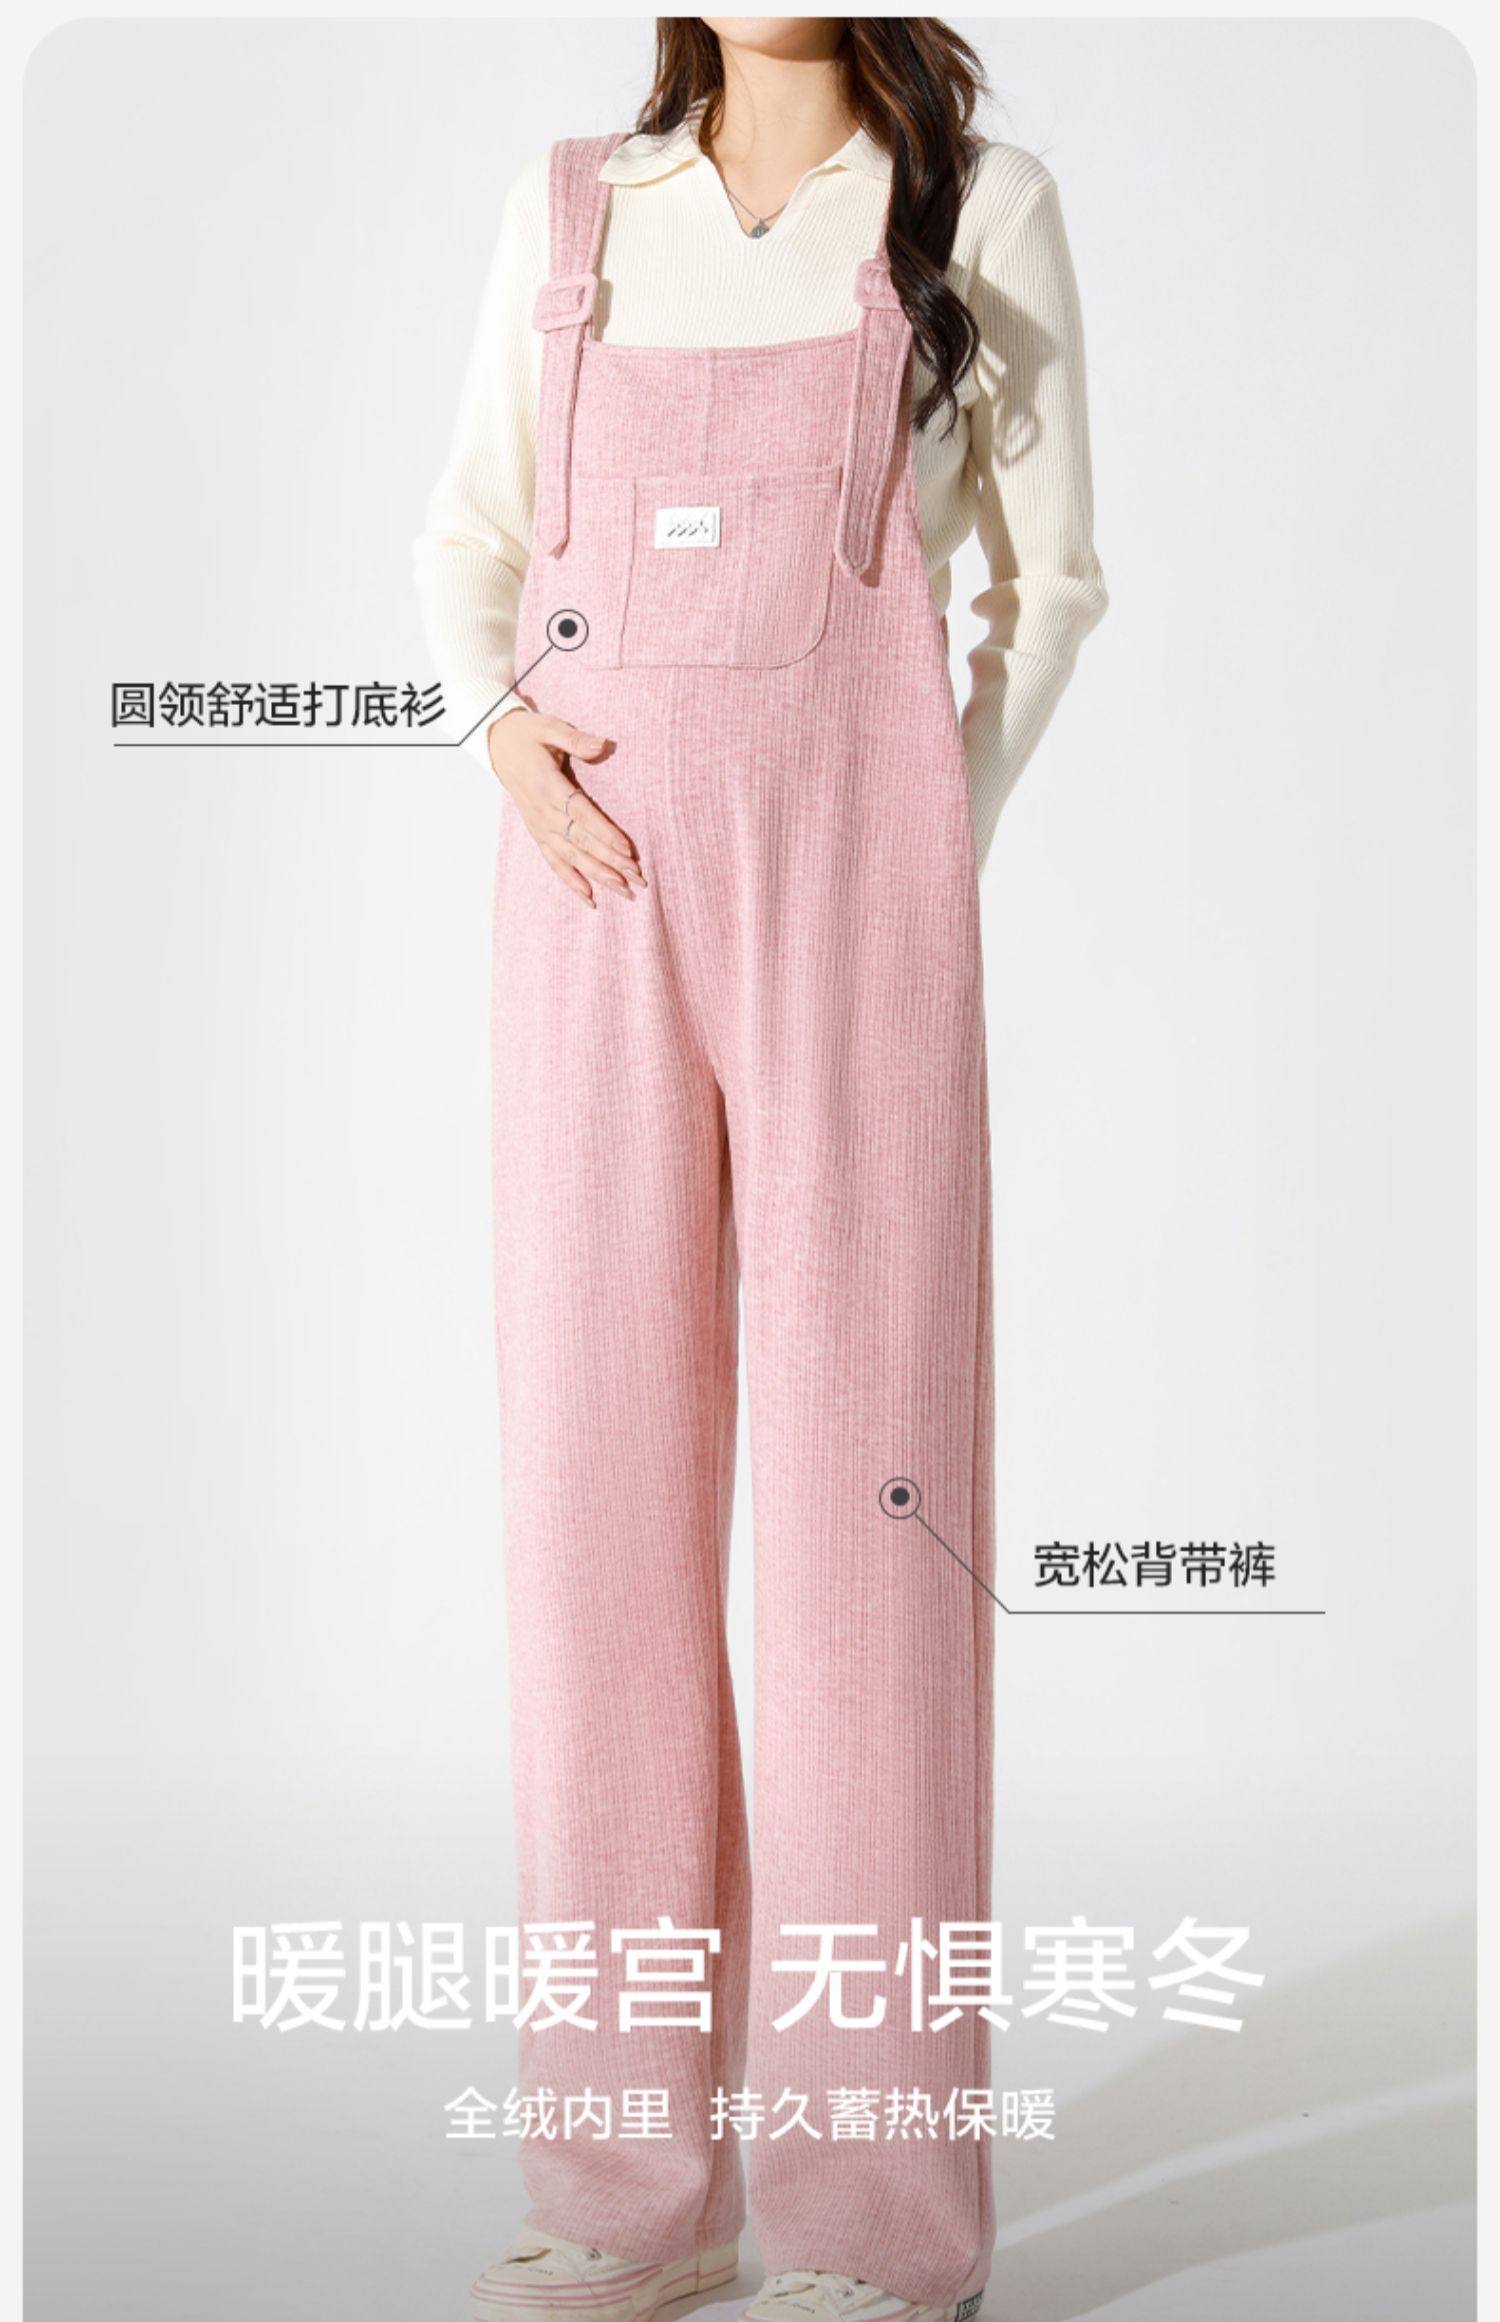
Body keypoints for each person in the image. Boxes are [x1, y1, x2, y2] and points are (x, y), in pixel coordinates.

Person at [414, 20, 1106, 2322]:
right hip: (587, 906)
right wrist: (497, 734)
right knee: (593, 1521)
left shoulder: (976, 210)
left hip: (856, 921)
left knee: (867, 1559)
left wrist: (923, 838)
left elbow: (1052, 587)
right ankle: (634, 2197)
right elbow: (469, 539)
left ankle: (881, 2226)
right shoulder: (575, 212)